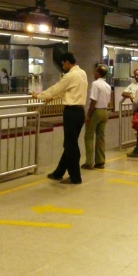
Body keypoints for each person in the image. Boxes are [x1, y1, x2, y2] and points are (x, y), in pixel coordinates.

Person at [32, 52, 87, 185]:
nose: (63, 67)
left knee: (71, 145)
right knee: (69, 143)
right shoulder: (82, 73)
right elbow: (67, 91)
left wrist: (39, 96)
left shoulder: (70, 76)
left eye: (63, 64)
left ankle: (75, 177)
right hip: (79, 112)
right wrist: (53, 98)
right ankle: (59, 172)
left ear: (67, 62)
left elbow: (56, 88)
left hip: (71, 113)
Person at [82, 64, 110, 170]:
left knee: (88, 136)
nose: (94, 73)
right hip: (104, 112)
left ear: (97, 73)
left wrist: (88, 115)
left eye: (95, 72)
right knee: (100, 137)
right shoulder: (107, 85)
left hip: (96, 112)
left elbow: (93, 100)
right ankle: (100, 161)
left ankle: (89, 162)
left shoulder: (95, 84)